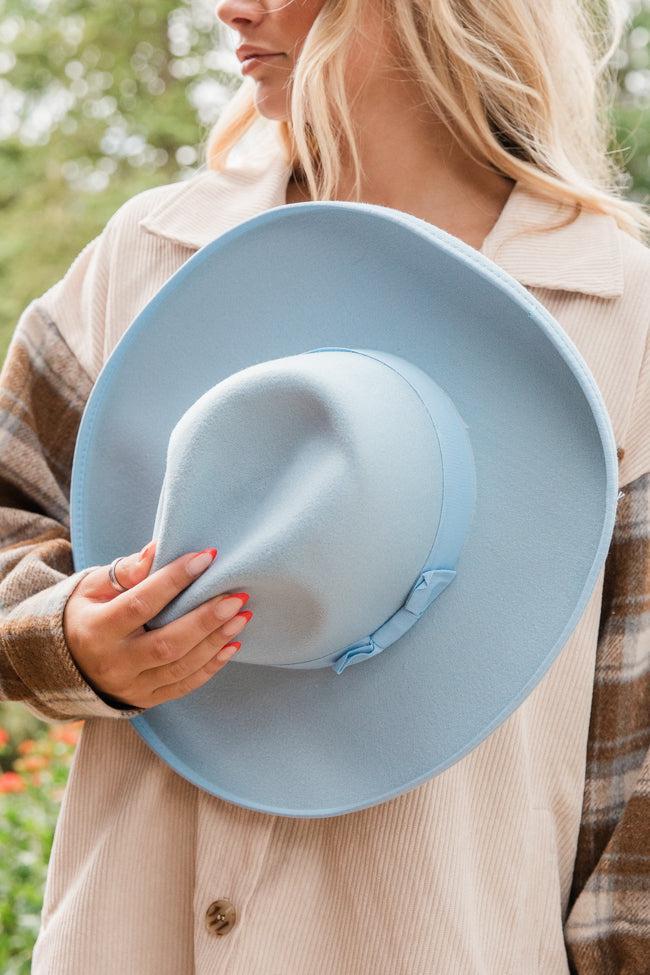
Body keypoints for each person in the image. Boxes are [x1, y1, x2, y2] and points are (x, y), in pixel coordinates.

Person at [0, 0, 648, 972]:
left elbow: (632, 787)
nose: (233, 7)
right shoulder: (149, 260)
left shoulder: (617, 317)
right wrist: (68, 640)